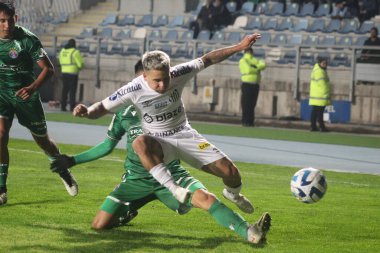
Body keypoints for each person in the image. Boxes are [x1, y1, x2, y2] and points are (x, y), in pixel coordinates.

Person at [50, 61, 271, 244]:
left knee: (206, 199)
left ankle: (249, 231)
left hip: (170, 173)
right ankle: (127, 213)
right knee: (99, 225)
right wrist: (73, 160)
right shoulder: (123, 113)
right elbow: (107, 146)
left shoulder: (166, 104)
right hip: (136, 179)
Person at [72, 33, 262, 215]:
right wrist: (87, 112)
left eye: (166, 79)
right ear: (144, 76)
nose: (162, 85)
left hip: (185, 134)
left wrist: (240, 47)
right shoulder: (132, 89)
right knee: (140, 143)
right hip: (159, 142)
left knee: (231, 172)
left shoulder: (178, 73)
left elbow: (208, 59)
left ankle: (232, 194)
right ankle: (173, 189)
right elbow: (102, 107)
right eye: (157, 81)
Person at [0, 1, 78, 206]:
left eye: (9, 21)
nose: (6, 25)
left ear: (15, 19)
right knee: (0, 134)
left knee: (43, 142)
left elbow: (49, 69)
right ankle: (1, 189)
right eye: (1, 21)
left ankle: (61, 167)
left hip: (27, 96)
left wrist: (32, 88)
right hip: (2, 94)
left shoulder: (27, 39)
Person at [238, 47, 266, 127]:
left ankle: (251, 122)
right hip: (247, 84)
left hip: (255, 84)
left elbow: (263, 65)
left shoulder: (255, 60)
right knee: (246, 103)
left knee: (252, 104)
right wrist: (257, 68)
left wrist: (255, 67)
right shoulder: (243, 60)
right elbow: (247, 70)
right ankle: (245, 121)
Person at [58, 38, 84, 112]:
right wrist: (80, 68)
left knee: (64, 90)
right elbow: (80, 64)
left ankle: (63, 106)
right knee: (72, 91)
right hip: (73, 73)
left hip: (64, 72)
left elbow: (60, 61)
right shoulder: (75, 52)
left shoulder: (62, 51)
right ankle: (72, 107)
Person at [309, 57, 331, 132]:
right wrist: (327, 93)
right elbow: (323, 85)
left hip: (316, 95)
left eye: (326, 63)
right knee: (319, 112)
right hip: (320, 95)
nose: (325, 65)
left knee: (315, 112)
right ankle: (321, 127)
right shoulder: (320, 71)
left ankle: (313, 126)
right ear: (320, 63)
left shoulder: (317, 70)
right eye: (324, 63)